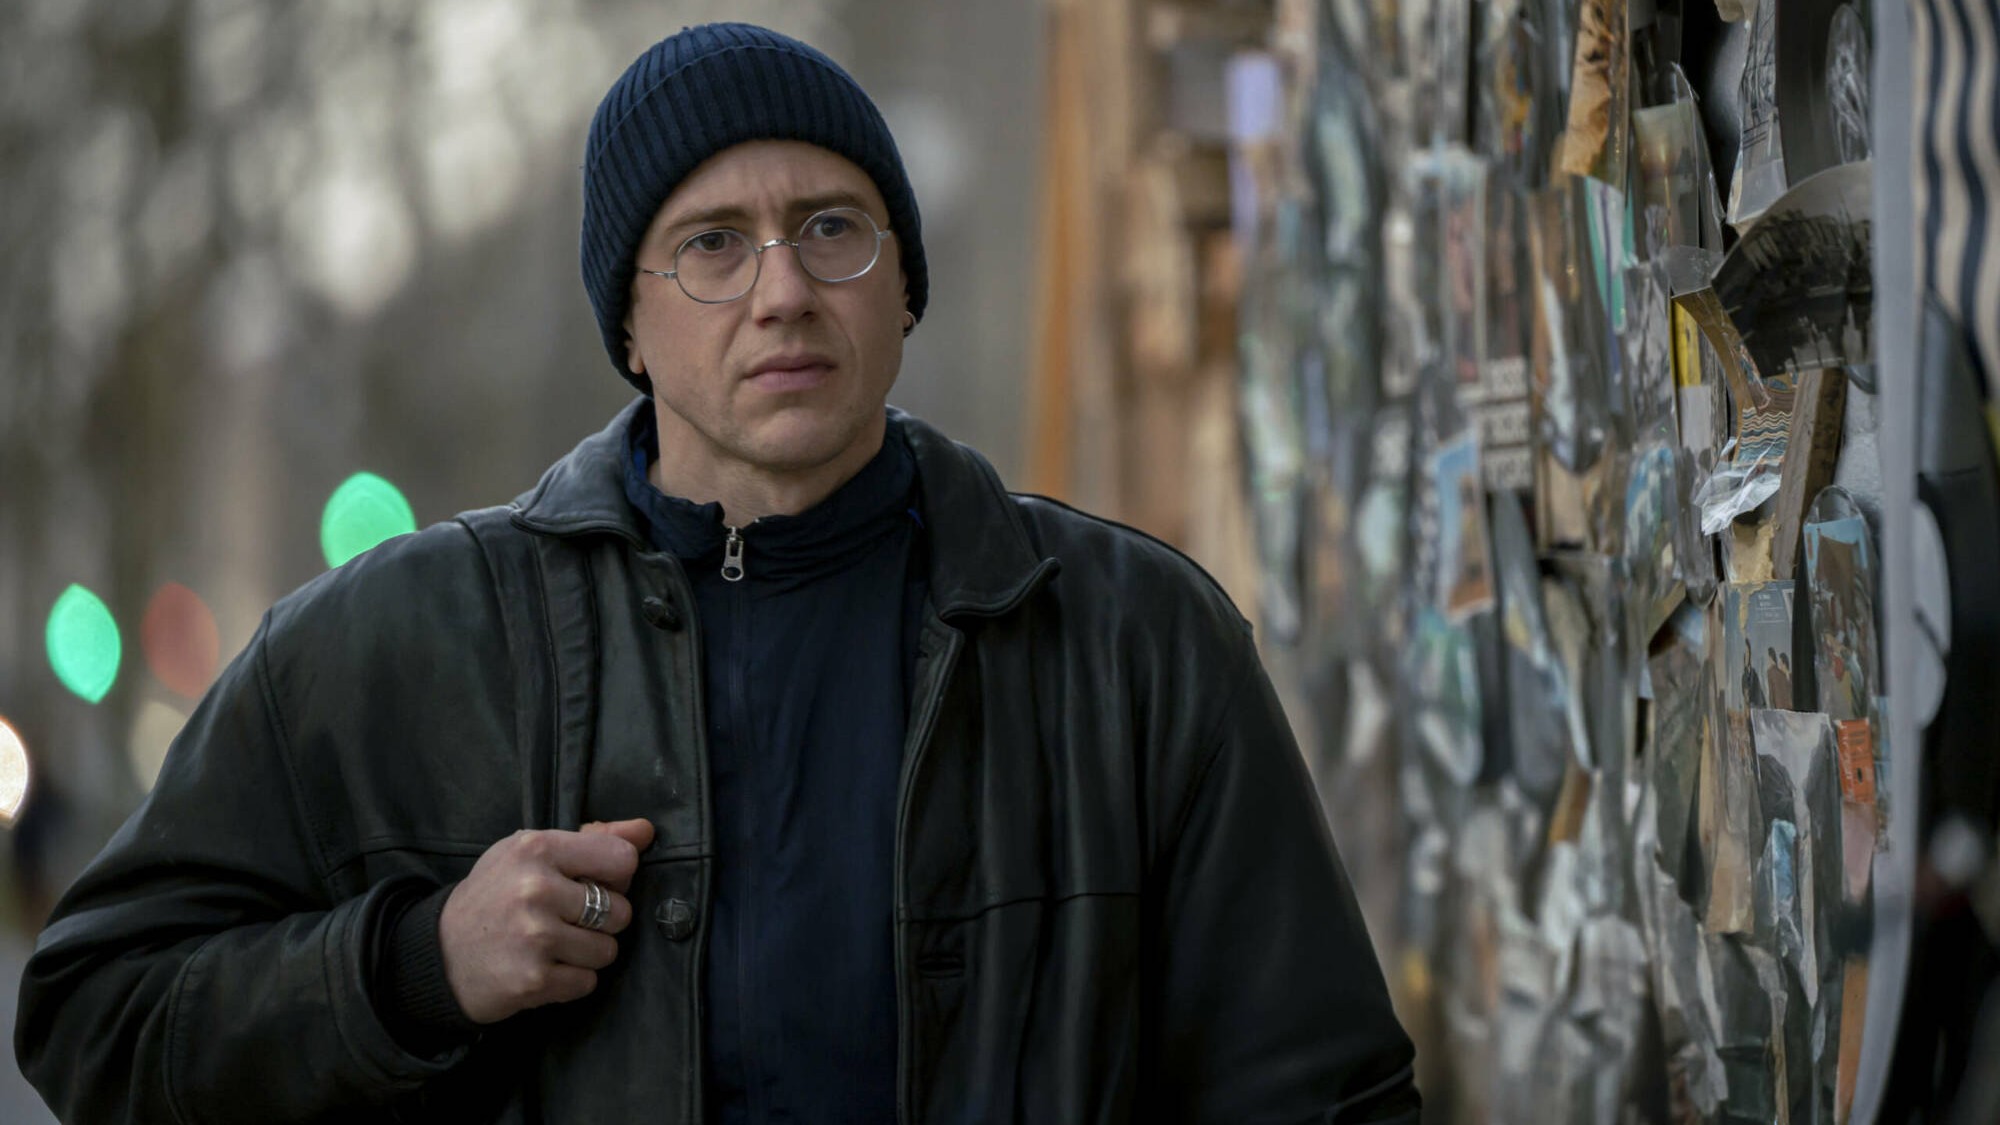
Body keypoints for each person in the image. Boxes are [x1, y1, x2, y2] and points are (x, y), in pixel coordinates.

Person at [15, 23, 1417, 1124]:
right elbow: (94, 1016)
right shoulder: (399, 645)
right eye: (711, 245)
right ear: (628, 324)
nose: (783, 290)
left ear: (903, 287)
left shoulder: (1129, 641)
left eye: (833, 227)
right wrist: (416, 966)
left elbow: (1322, 1094)